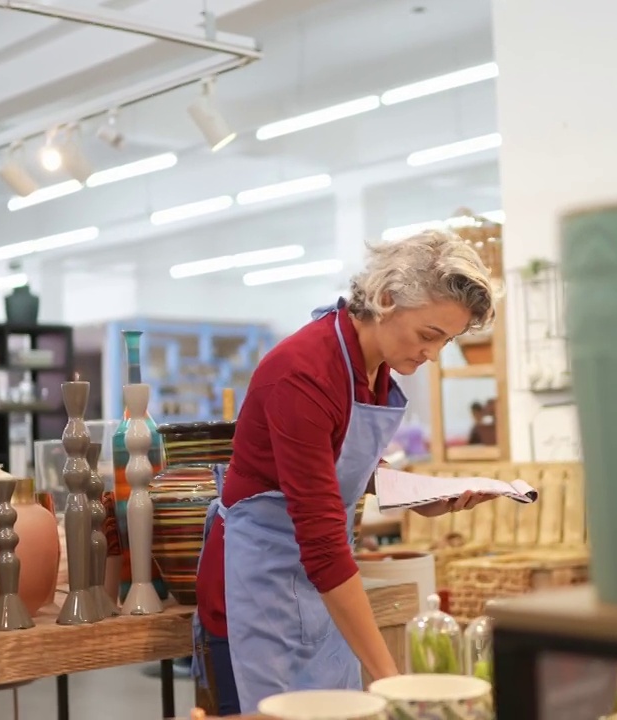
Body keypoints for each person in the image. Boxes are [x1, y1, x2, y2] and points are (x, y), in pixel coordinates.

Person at [192, 229, 499, 714]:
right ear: (385, 298)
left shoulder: (373, 369)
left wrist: (416, 494)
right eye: (428, 335)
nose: (433, 355)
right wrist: (394, 681)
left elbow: (338, 464)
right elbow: (321, 540)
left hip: (325, 589)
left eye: (448, 341)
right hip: (266, 588)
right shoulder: (303, 374)